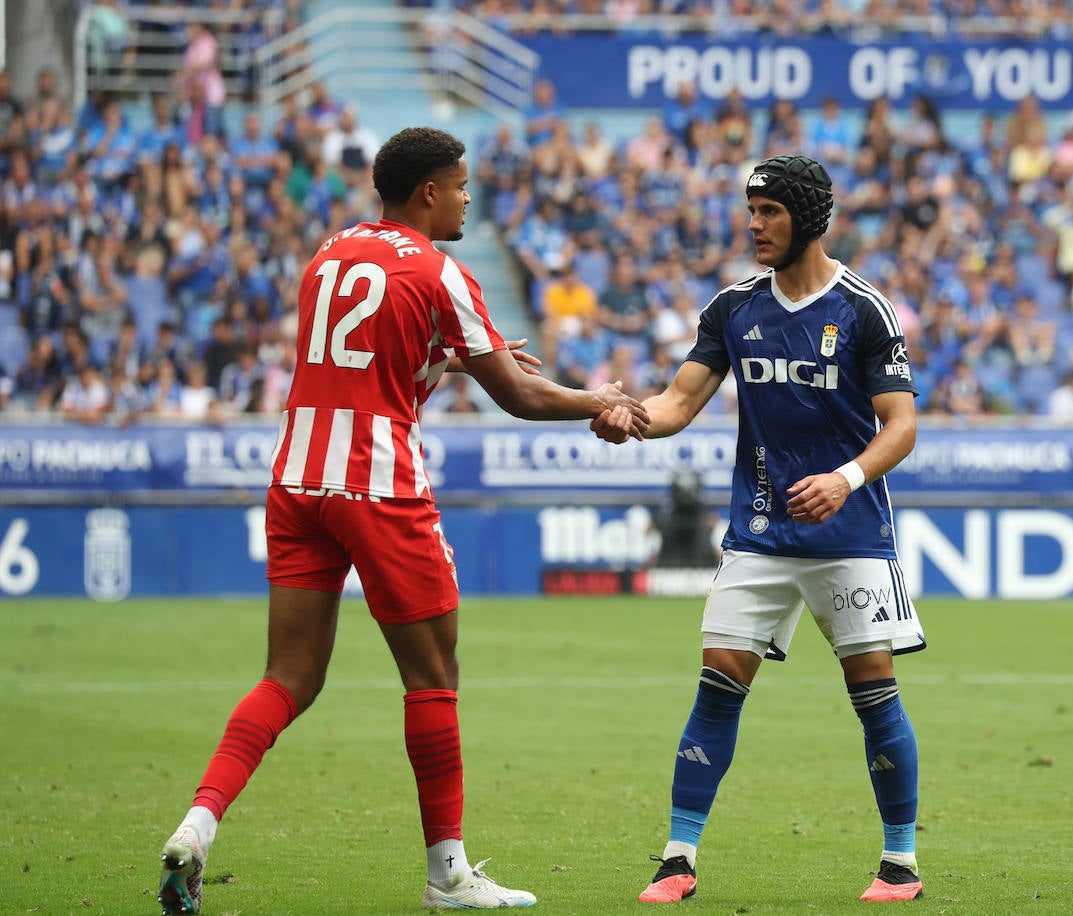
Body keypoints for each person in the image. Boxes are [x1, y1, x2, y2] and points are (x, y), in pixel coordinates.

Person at [155, 126, 650, 915]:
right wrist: (603, 401)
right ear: (428, 191)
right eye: (460, 186)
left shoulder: (330, 253)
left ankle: (197, 823)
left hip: (296, 478)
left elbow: (365, 354)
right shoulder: (442, 270)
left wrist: (457, 354)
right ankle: (447, 876)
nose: (466, 198)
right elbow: (519, 398)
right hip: (376, 483)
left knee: (288, 675)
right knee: (433, 675)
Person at [592, 155, 926, 904]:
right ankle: (678, 858)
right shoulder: (734, 307)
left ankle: (900, 862)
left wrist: (845, 479)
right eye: (751, 210)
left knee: (873, 692)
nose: (753, 224)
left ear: (806, 216)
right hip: (762, 532)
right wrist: (627, 419)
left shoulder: (864, 309)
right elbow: (676, 404)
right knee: (718, 683)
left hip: (850, 533)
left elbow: (901, 426)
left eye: (769, 210)